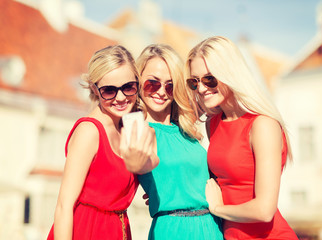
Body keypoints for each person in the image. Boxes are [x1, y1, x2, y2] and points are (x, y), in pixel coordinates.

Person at [184, 36, 299, 239]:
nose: (201, 88)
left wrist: (218, 208)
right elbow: (216, 185)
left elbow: (264, 210)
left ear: (229, 73)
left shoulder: (262, 125)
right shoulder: (214, 123)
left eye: (209, 79)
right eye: (195, 82)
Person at [47, 45, 158, 240]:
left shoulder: (130, 127)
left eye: (128, 87)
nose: (121, 97)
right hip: (85, 230)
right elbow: (64, 206)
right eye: (109, 91)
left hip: (119, 230)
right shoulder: (89, 132)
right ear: (94, 89)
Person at [135, 44, 223, 240]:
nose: (161, 92)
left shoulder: (187, 129)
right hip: (174, 230)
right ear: (138, 80)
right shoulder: (136, 131)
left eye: (170, 85)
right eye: (152, 83)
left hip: (213, 226)